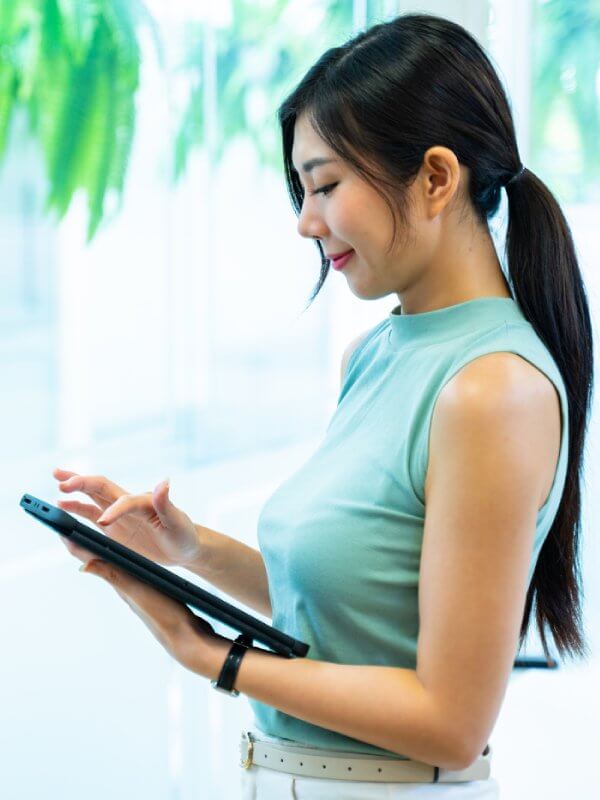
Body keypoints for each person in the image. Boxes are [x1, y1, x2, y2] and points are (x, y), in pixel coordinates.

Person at [54, 11, 593, 799]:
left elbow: (453, 720)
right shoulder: (376, 353)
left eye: (326, 184)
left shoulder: (492, 390)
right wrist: (189, 550)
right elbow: (354, 612)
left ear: (437, 178)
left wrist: (214, 656)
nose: (307, 222)